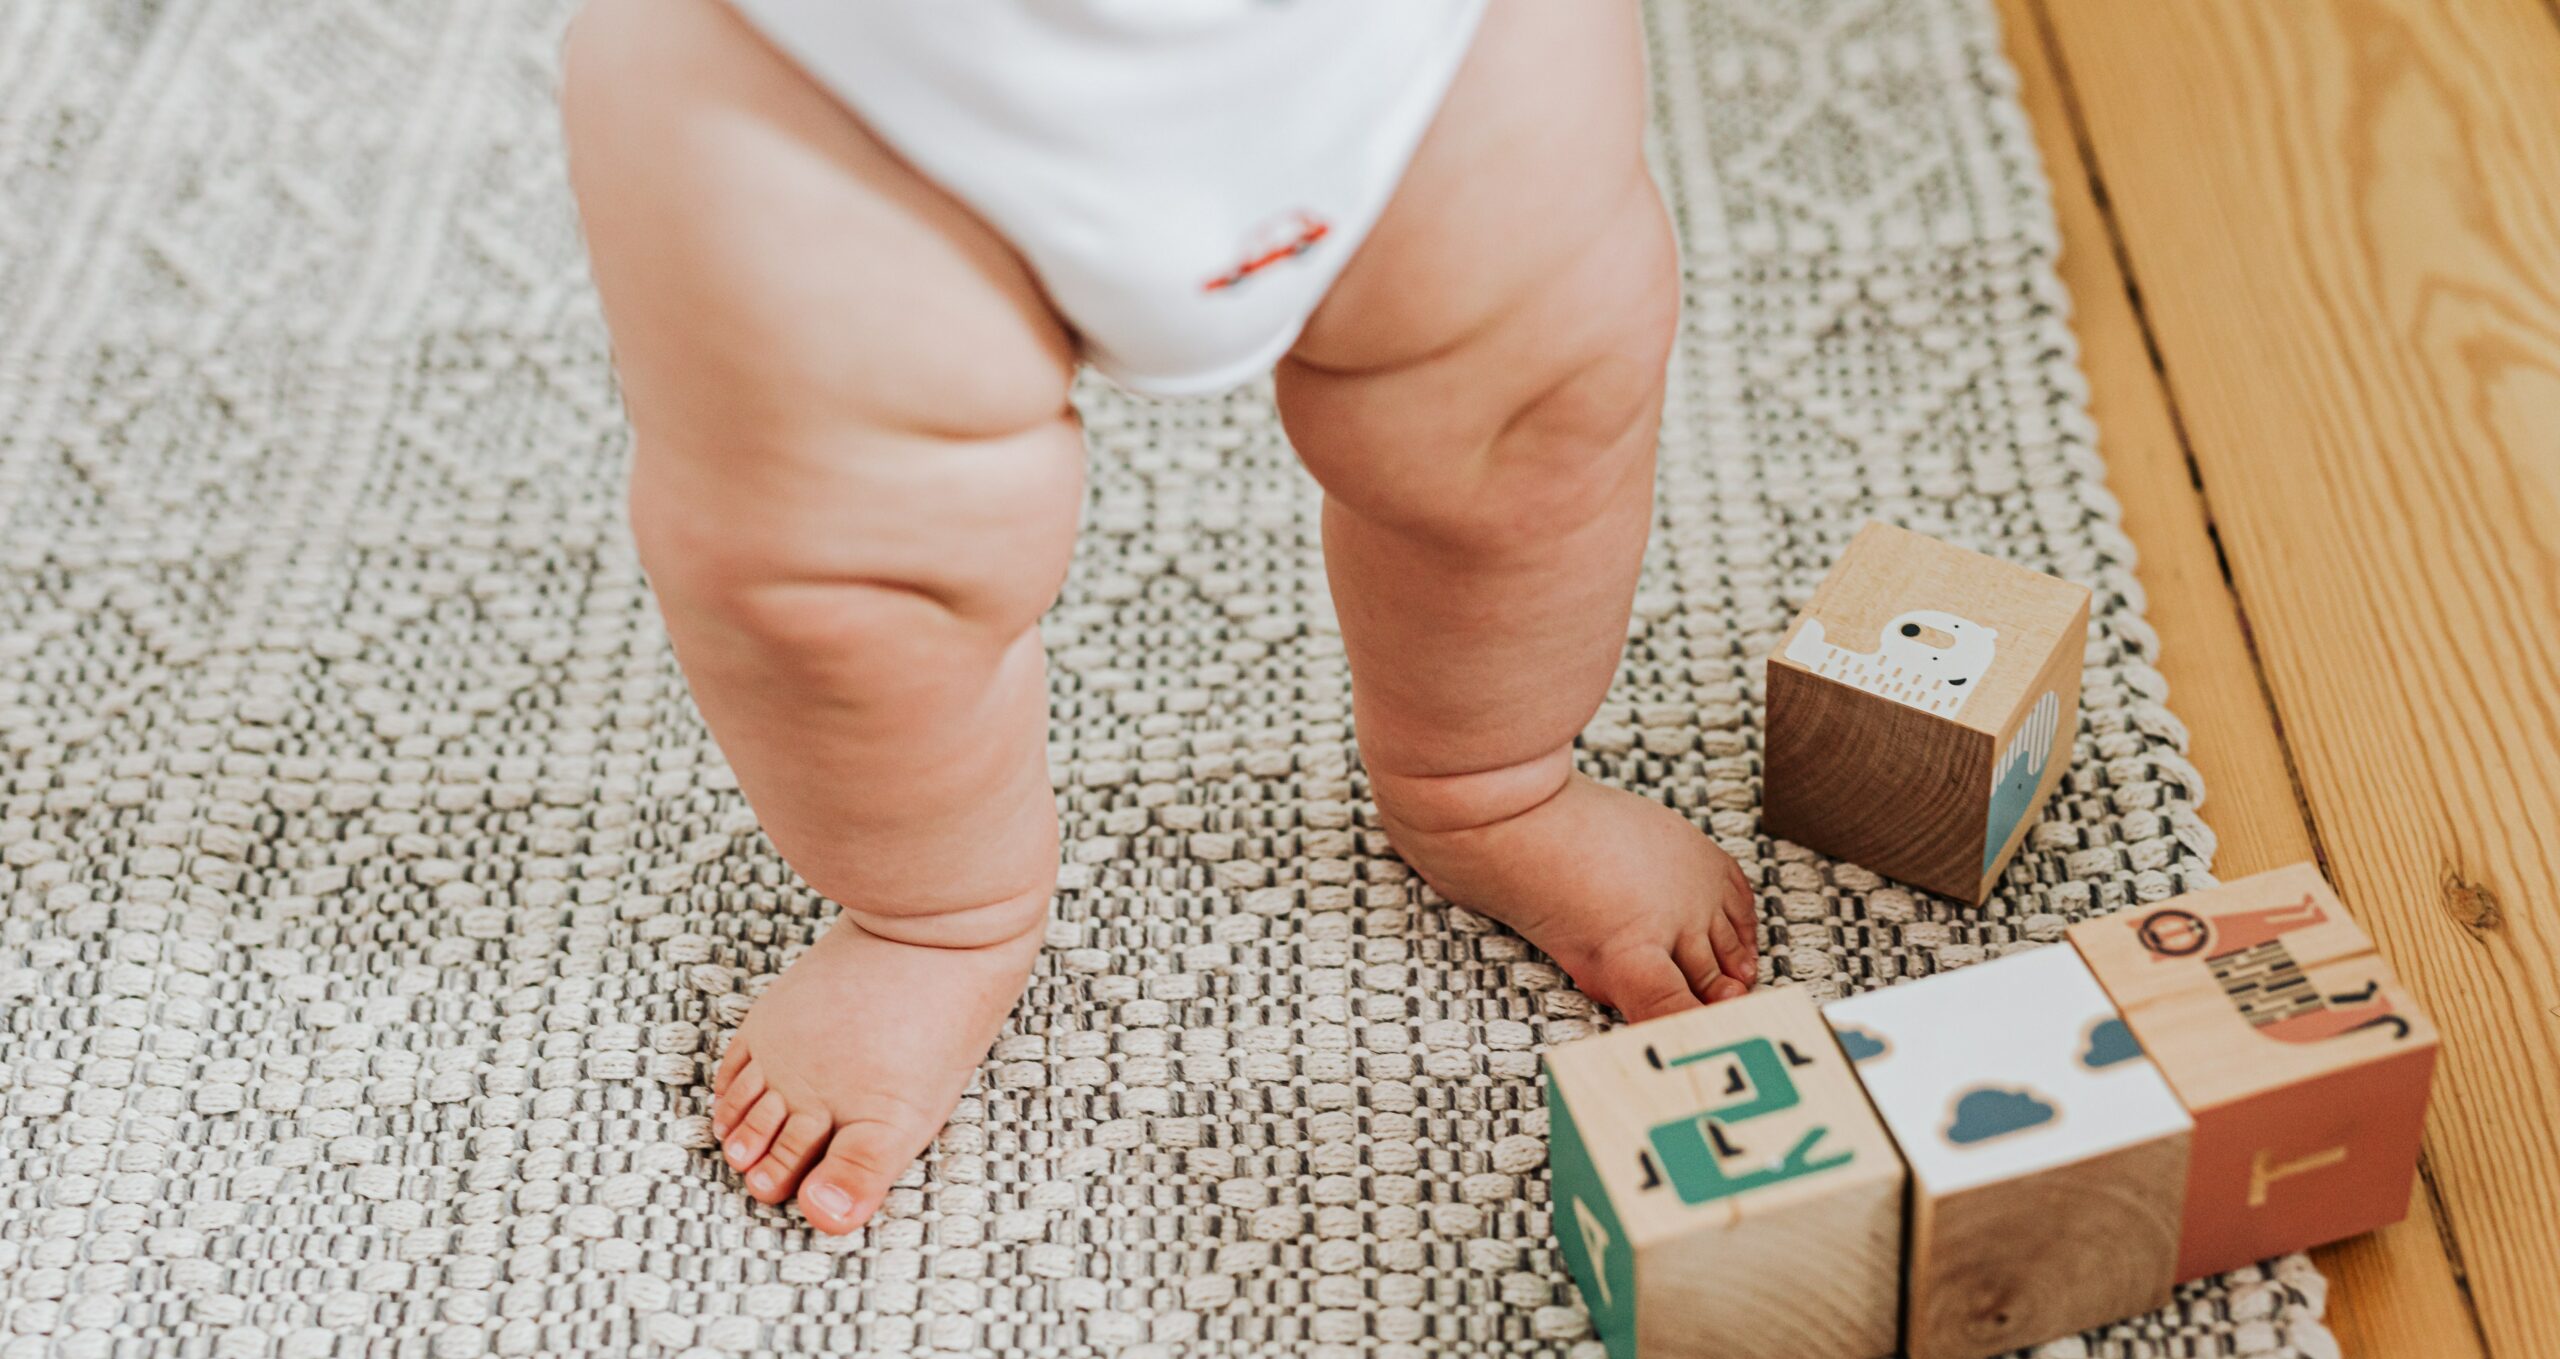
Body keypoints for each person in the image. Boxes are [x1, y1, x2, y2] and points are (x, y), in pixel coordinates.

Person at [557, 0, 1760, 1236]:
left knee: (1530, 423)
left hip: (1413, 45)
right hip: (834, 85)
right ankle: (934, 917)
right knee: (841, 586)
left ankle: (1490, 776)